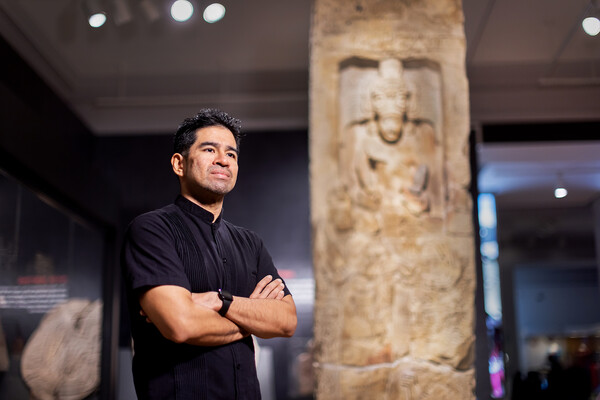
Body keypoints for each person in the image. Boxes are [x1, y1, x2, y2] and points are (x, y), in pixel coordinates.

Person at [121, 108, 297, 399]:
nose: (223, 160)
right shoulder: (151, 230)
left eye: (231, 154)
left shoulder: (250, 243)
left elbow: (286, 321)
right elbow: (181, 325)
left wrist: (220, 300)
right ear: (179, 163)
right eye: (209, 149)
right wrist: (252, 319)